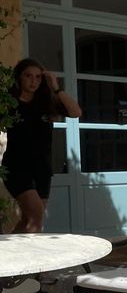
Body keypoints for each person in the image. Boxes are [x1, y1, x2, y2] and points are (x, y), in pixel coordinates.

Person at [2, 58, 82, 232]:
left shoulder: (47, 102)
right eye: (28, 76)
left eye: (38, 77)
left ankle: (7, 255)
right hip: (16, 167)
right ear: (19, 77)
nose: (33, 81)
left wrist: (55, 86)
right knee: (37, 215)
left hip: (42, 169)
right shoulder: (9, 103)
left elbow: (75, 112)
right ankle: (27, 257)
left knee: (29, 219)